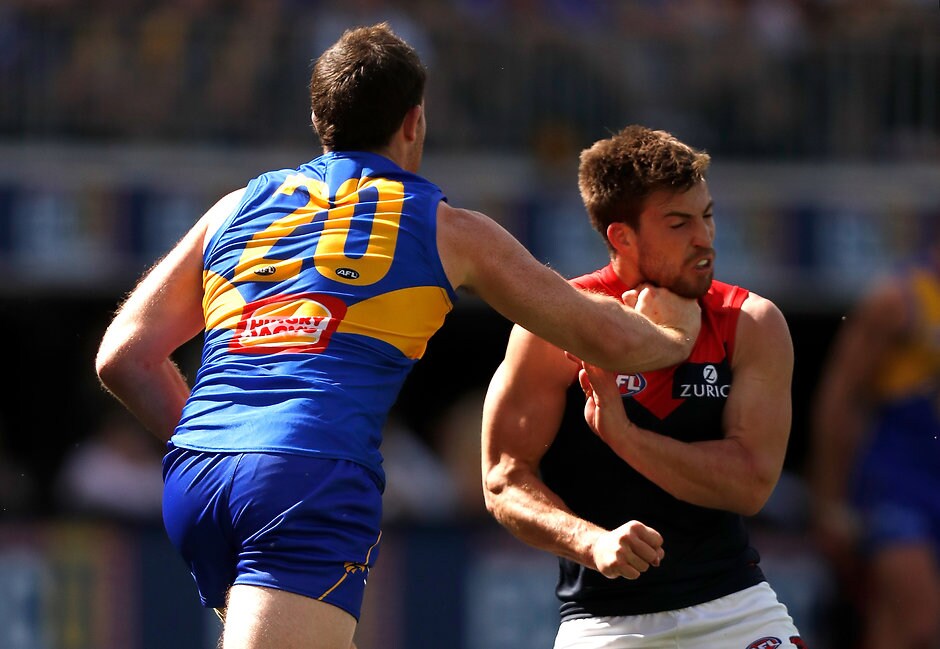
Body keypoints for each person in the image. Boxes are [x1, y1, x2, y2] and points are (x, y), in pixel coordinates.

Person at [94, 24, 702, 649]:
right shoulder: (447, 228)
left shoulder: (235, 206)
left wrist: (225, 448)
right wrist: (674, 334)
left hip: (197, 478)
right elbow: (603, 334)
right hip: (308, 475)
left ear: (317, 119)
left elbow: (124, 358)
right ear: (414, 122)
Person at [482, 125, 805, 648]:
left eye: (707, 215)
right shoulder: (554, 327)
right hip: (603, 622)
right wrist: (592, 543)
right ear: (622, 237)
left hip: (736, 608)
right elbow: (502, 479)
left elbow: (751, 485)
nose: (705, 238)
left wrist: (626, 437)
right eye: (679, 223)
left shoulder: (751, 322)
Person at [809, 231, 940, 649]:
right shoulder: (898, 299)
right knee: (922, 625)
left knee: (893, 625)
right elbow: (838, 400)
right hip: (896, 484)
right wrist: (829, 502)